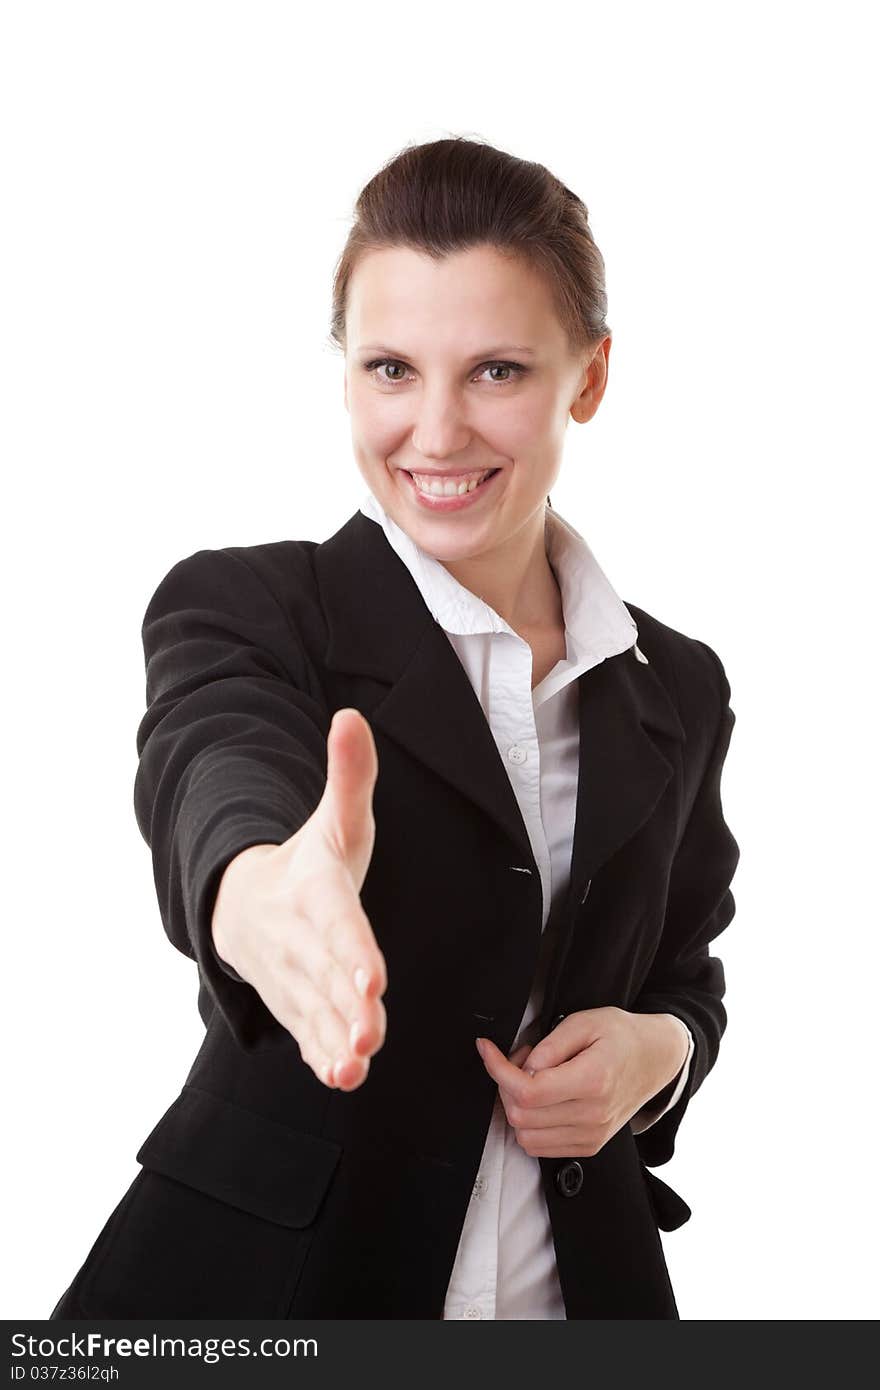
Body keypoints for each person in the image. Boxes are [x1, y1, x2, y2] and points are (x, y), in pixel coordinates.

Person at [50, 135, 740, 1320]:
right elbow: (215, 763)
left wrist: (658, 1054)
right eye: (389, 369)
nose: (433, 432)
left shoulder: (675, 684)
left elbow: (684, 973)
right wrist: (261, 892)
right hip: (271, 1302)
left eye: (495, 372)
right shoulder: (254, 605)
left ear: (589, 377)